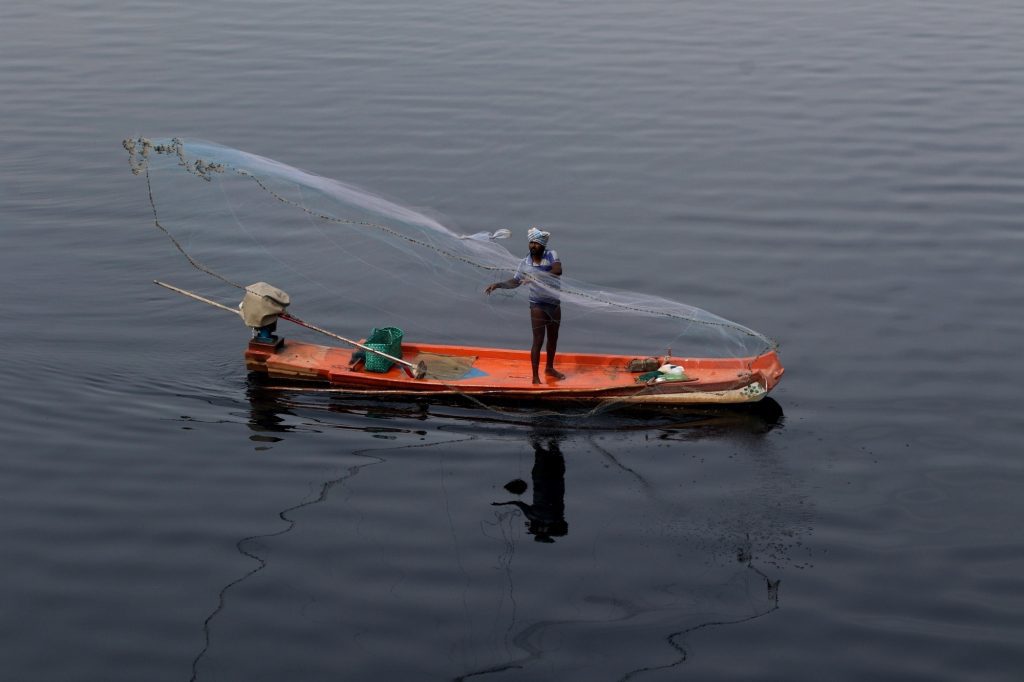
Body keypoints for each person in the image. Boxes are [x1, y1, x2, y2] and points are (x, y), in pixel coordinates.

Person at [485, 227, 565, 384]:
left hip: (554, 303)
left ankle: (549, 368)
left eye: (536, 243)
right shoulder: (525, 263)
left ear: (542, 245)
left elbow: (558, 270)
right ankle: (535, 377)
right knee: (538, 340)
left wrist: (535, 277)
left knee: (553, 338)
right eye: (531, 243)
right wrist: (498, 285)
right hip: (538, 305)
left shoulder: (551, 255)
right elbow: (515, 281)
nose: (533, 246)